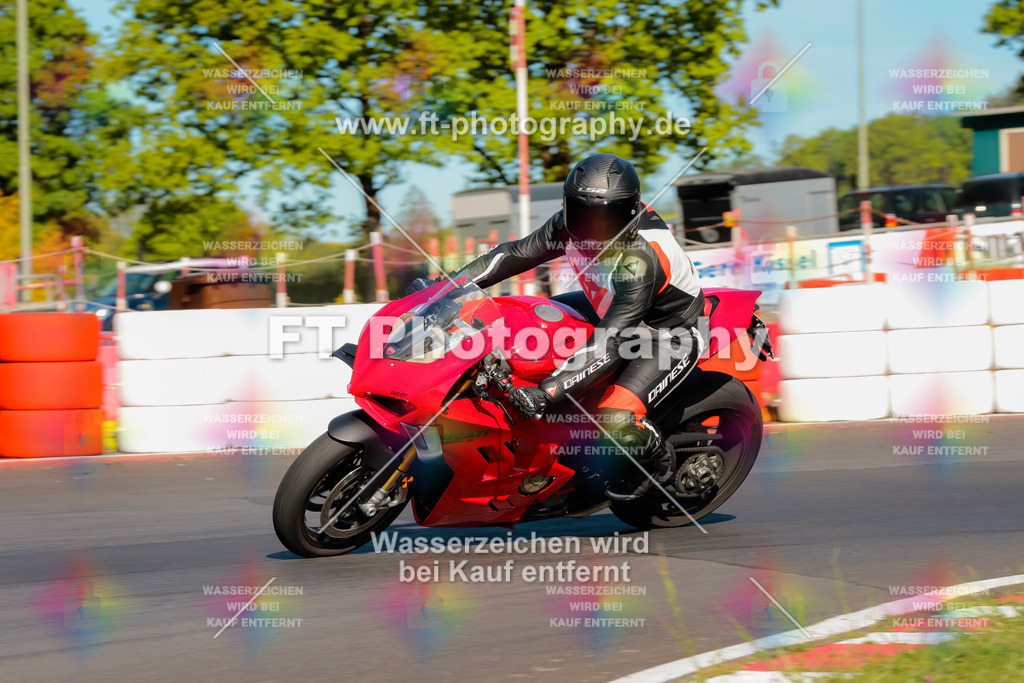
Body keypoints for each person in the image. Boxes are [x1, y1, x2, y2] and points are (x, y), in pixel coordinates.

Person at [424, 153, 706, 498]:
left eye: (607, 216)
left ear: (631, 211)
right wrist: (445, 290)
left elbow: (612, 342)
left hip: (664, 336)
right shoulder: (566, 226)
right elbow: (514, 255)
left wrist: (548, 391)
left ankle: (659, 462)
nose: (592, 228)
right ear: (567, 205)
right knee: (521, 325)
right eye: (582, 213)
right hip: (609, 307)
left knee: (613, 420)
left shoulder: (639, 258)